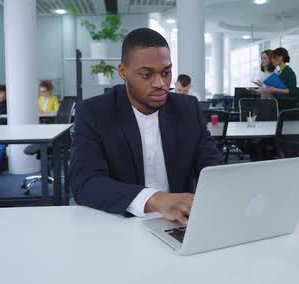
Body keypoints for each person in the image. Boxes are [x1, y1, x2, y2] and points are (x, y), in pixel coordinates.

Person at [69, 28, 222, 224]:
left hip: (178, 222)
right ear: (123, 72)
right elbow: (85, 184)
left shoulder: (187, 109)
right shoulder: (95, 113)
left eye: (166, 73)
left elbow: (212, 166)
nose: (160, 83)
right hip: (119, 221)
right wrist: (155, 199)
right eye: (146, 75)